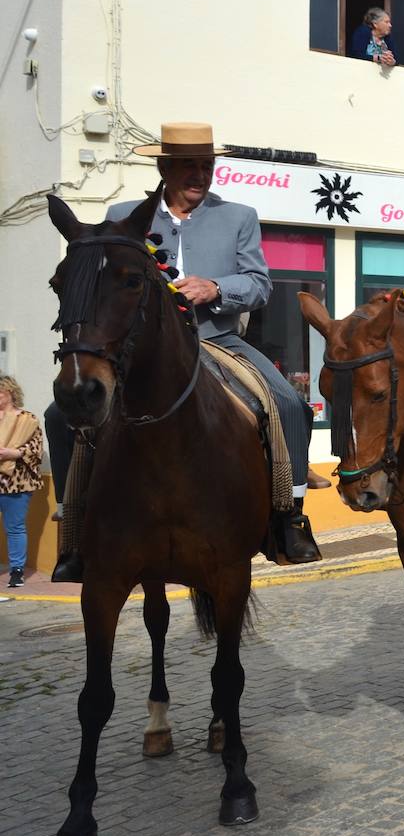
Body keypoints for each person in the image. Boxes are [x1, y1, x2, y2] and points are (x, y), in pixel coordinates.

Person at [47, 122, 323, 582]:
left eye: (206, 165)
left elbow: (259, 284)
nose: (199, 175)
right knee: (59, 416)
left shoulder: (239, 216)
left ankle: (288, 518)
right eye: (188, 166)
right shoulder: (125, 214)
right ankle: (74, 532)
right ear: (164, 168)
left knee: (289, 402)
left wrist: (216, 287)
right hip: (140, 351)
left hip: (217, 338)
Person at [0, 376, 43, 588]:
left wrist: (13, 452)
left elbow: (36, 450)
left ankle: (17, 570)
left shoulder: (28, 419)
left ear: (11, 392)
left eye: (0, 390)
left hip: (17, 483)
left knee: (14, 528)